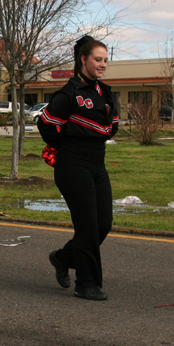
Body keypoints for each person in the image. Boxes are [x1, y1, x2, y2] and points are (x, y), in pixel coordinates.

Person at [37, 35, 119, 300]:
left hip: (97, 164)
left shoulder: (105, 92)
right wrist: (65, 145)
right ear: (83, 59)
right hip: (72, 164)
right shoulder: (69, 92)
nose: (103, 64)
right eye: (98, 59)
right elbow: (46, 124)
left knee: (103, 224)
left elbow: (112, 126)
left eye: (105, 60)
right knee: (87, 226)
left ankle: (62, 258)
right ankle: (86, 283)